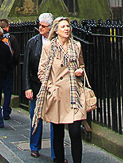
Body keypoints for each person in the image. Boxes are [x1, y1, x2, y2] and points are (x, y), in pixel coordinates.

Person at [33, 16, 89, 163]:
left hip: (73, 94)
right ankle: (58, 160)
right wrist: (51, 87)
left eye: (68, 27)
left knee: (75, 132)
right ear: (56, 30)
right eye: (63, 27)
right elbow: (42, 70)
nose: (66, 29)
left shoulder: (76, 45)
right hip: (57, 95)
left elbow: (81, 64)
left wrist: (80, 71)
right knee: (57, 134)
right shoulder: (49, 47)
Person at [23, 12, 55, 158]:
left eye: (43, 26)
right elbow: (26, 67)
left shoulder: (57, 42)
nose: (40, 28)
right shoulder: (32, 42)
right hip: (36, 87)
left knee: (55, 121)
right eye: (39, 25)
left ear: (50, 27)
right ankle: (34, 147)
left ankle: (56, 153)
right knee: (36, 117)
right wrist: (27, 87)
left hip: (53, 88)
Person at [0, 18, 20, 120]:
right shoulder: (12, 38)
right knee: (7, 91)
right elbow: (16, 53)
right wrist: (12, 64)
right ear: (7, 27)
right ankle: (6, 112)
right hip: (8, 69)